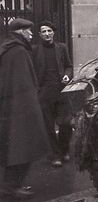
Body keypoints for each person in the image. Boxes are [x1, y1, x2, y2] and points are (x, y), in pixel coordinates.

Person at [0, 18, 50, 199]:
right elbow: (24, 84)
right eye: (28, 31)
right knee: (22, 148)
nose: (31, 34)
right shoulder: (19, 51)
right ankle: (11, 187)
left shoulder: (8, 49)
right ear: (20, 32)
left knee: (15, 149)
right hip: (22, 110)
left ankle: (12, 185)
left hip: (10, 108)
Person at [32, 20, 74, 167]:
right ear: (39, 34)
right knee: (48, 126)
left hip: (61, 91)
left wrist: (68, 75)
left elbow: (69, 66)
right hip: (44, 93)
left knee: (66, 123)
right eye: (43, 31)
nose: (47, 34)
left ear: (53, 33)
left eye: (49, 31)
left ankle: (64, 150)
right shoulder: (34, 50)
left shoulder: (61, 48)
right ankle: (55, 155)